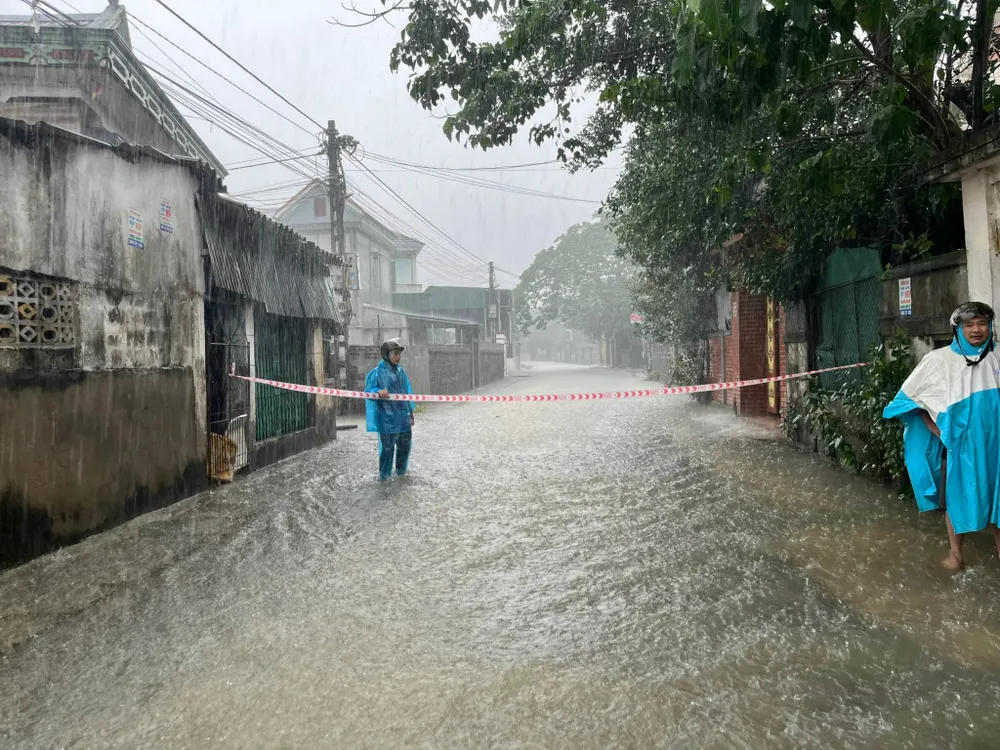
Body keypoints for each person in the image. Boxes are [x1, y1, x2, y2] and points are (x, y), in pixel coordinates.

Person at [883, 301, 1000, 571]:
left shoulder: (997, 356)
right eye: (969, 325)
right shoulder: (939, 361)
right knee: (956, 496)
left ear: (990, 326)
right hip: (959, 447)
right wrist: (937, 429)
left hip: (996, 446)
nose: (976, 330)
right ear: (958, 329)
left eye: (982, 323)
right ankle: (956, 555)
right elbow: (910, 399)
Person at [365, 338, 416, 481]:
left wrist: (411, 413)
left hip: (403, 418)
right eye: (395, 354)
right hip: (387, 420)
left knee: (404, 447)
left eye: (399, 354)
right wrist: (378, 391)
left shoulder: (401, 372)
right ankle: (384, 477)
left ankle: (401, 474)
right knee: (387, 450)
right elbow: (369, 391)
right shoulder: (376, 373)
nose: (398, 357)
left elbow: (407, 393)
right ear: (387, 354)